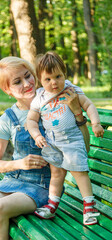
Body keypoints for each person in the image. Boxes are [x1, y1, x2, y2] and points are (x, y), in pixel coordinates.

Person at [0, 56, 90, 240]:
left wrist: (78, 113)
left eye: (28, 76)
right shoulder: (8, 119)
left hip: (44, 185)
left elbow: (84, 148)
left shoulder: (58, 100)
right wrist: (19, 163)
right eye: (17, 82)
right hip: (13, 180)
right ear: (7, 89)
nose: (27, 83)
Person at [27, 51, 104, 225]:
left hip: (72, 140)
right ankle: (52, 205)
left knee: (79, 173)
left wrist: (96, 123)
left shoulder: (71, 89)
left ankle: (90, 206)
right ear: (40, 79)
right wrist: (37, 135)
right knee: (56, 174)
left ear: (64, 74)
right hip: (53, 142)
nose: (54, 82)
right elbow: (31, 120)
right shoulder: (39, 97)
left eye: (58, 76)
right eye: (48, 79)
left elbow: (88, 105)